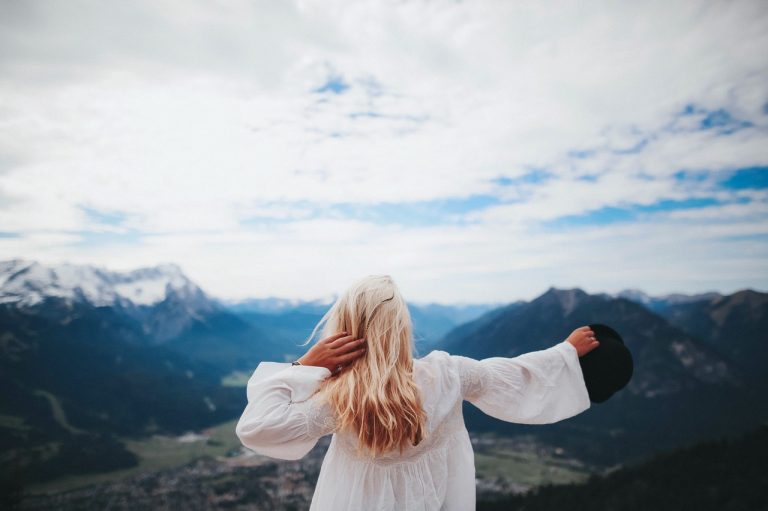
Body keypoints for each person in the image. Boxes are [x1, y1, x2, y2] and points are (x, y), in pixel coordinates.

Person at [235, 275, 598, 510]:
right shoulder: (450, 375)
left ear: (344, 328)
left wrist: (305, 366)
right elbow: (514, 377)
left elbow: (258, 427)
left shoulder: (339, 399)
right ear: (401, 327)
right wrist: (562, 354)